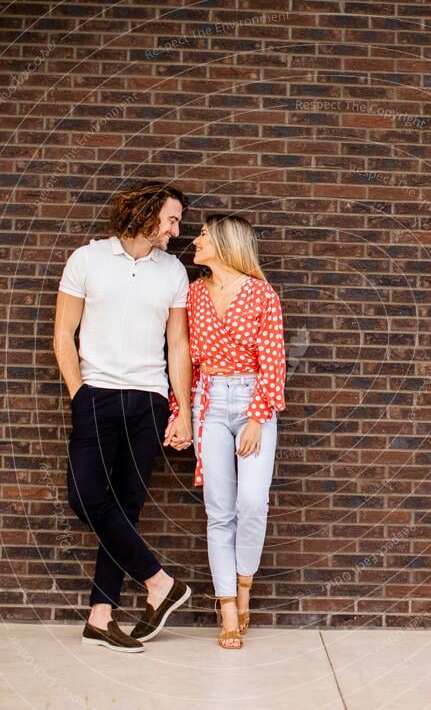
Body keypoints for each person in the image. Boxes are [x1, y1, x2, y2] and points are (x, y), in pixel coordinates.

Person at [53, 181, 194, 653]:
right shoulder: (87, 259)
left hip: (148, 401)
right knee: (86, 496)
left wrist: (183, 410)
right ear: (148, 212)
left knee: (126, 507)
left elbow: (178, 345)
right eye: (172, 219)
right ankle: (158, 582)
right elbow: (63, 333)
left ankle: (100, 614)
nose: (177, 230)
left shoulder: (173, 271)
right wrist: (80, 394)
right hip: (96, 395)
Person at [169, 214, 286, 649]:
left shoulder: (261, 294)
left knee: (253, 502)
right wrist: (181, 412)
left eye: (202, 235)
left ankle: (245, 585)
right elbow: (185, 358)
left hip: (254, 399)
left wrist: (257, 417)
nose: (194, 241)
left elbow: (273, 361)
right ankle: (228, 611)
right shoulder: (194, 292)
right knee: (219, 510)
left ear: (224, 243)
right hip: (210, 401)